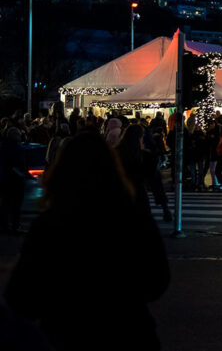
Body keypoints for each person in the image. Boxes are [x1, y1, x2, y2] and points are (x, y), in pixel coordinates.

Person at [4, 132, 169, 351]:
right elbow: (157, 280)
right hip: (129, 332)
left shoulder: (50, 225)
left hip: (66, 334)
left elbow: (23, 297)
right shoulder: (134, 219)